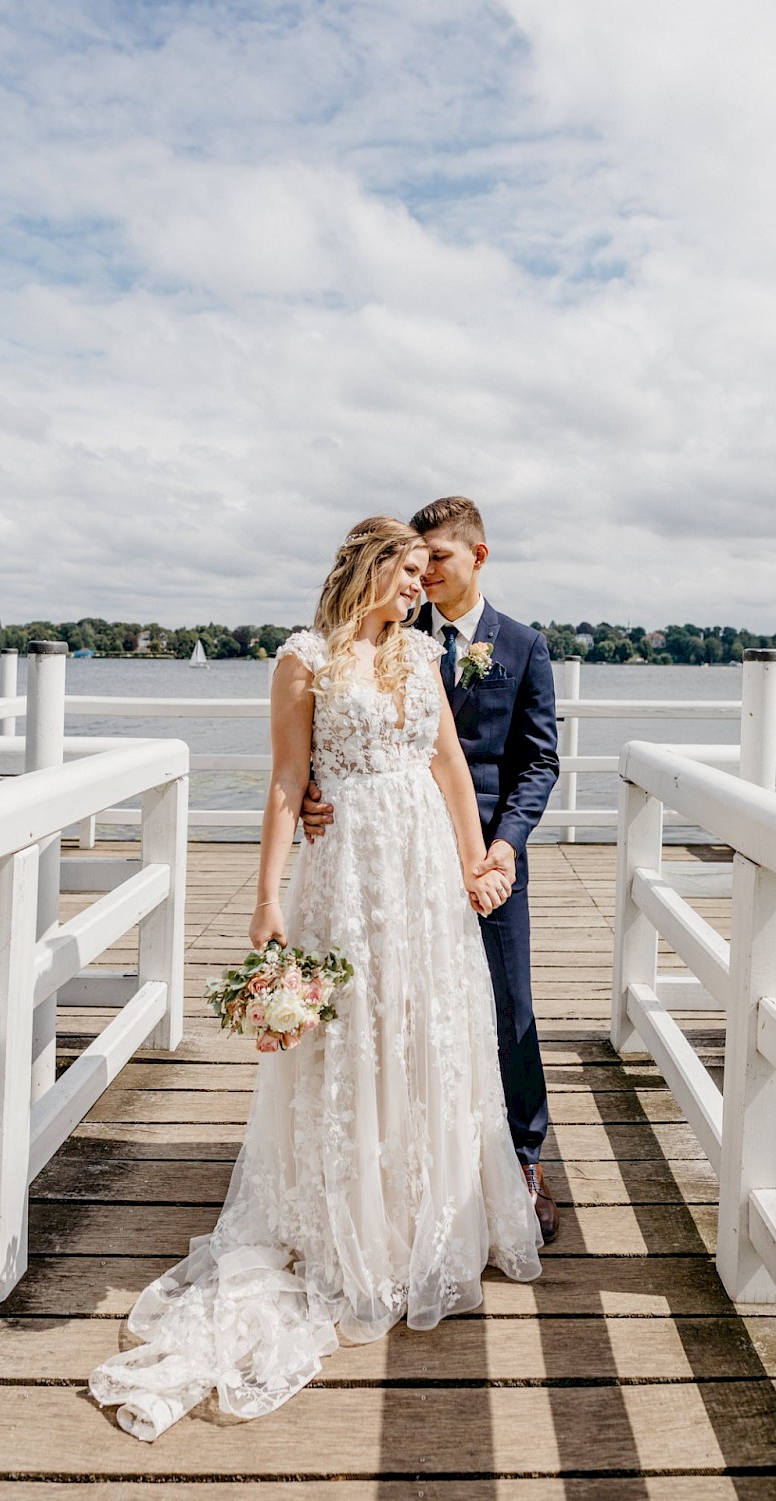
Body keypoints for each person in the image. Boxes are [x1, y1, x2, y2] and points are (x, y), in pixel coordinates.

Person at [89, 516, 542, 1441]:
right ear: (369, 567)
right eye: (406, 571)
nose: (418, 587)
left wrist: (474, 867)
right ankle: (352, 1226)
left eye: (425, 571)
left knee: (427, 1028)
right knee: (355, 1032)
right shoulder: (302, 659)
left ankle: (425, 1214)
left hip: (422, 871)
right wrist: (266, 900)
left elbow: (453, 768)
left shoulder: (420, 657)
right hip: (348, 870)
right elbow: (287, 781)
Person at [303, 497, 560, 1241]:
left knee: (507, 1008)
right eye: (417, 561)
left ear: (478, 556)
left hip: (486, 855)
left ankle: (522, 1160)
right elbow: (338, 719)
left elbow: (537, 761)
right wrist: (319, 789)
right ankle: (405, 1162)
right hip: (396, 852)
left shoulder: (522, 644)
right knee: (402, 1004)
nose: (426, 573)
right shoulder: (395, 628)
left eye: (438, 558)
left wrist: (501, 847)